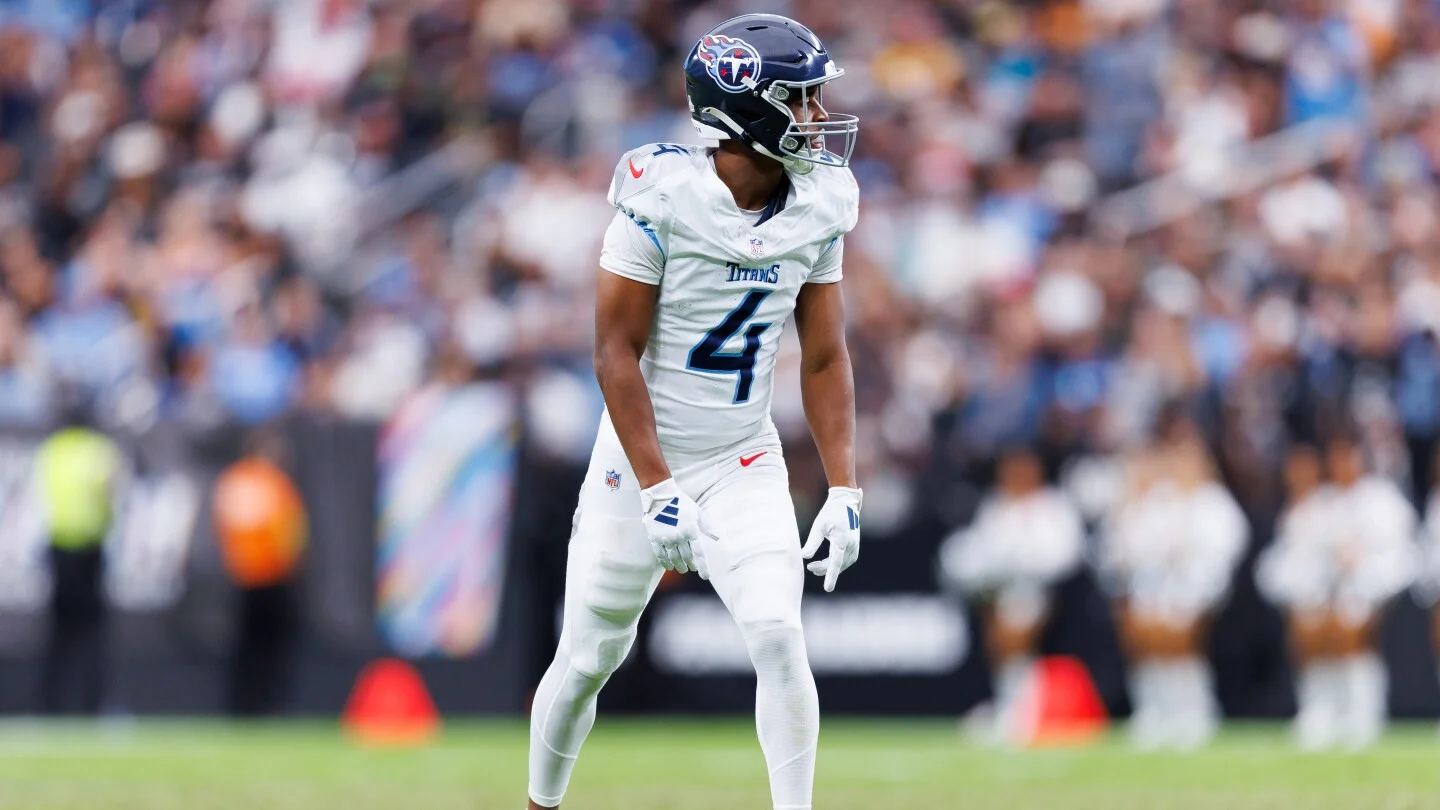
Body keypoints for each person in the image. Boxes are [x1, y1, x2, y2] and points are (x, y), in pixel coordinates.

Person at [526, 14, 860, 810]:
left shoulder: (821, 202)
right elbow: (615, 352)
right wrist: (655, 485)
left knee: (778, 633)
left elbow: (823, 356)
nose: (818, 116)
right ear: (747, 106)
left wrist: (845, 487)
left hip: (742, 454)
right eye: (802, 98)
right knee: (588, 657)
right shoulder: (660, 196)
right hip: (639, 458)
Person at [1261, 433, 1416, 749]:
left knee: (1349, 630)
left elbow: (1399, 553)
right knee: (1310, 632)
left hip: (1369, 589)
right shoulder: (1321, 502)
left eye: (1349, 457)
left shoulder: (1383, 500)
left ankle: (1362, 713)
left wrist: (1363, 569)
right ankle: (1320, 711)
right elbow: (1296, 551)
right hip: (1323, 592)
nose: (1342, 465)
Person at [1101, 419, 1247, 749]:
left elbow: (1228, 545)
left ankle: (1192, 710)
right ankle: (1154, 708)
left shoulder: (1211, 500)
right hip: (1152, 587)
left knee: (1178, 639)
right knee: (1143, 634)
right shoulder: (1154, 500)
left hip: (1196, 586)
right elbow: (1128, 549)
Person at [937, 446, 1084, 743]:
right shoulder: (995, 506)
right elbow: (982, 551)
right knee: (999, 630)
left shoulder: (1052, 506)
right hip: (1000, 591)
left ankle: (1024, 711)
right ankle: (1010, 705)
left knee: (1016, 619)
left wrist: (1022, 563)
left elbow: (1065, 555)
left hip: (1047, 592)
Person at [35, 395, 124, 715]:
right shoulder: (98, 450)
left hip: (58, 547)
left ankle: (51, 704)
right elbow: (110, 489)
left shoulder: (52, 450)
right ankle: (94, 703)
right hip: (89, 548)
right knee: (92, 632)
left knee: (58, 632)